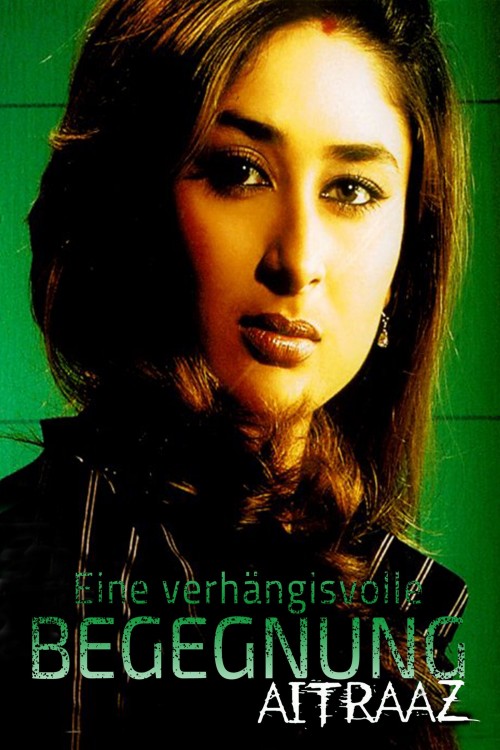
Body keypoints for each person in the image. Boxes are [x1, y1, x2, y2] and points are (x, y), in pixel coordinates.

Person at [0, 0, 469, 747]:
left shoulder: (384, 597)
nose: (298, 260)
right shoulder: (43, 590)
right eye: (238, 172)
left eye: (352, 190)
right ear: (131, 203)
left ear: (407, 261)